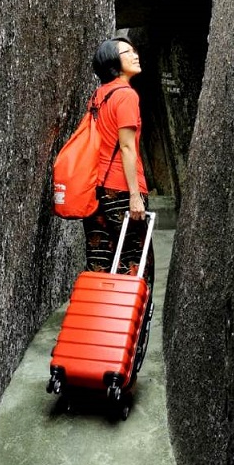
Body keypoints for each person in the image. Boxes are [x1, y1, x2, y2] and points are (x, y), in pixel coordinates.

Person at [83, 37, 154, 288]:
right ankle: (131, 325)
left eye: (135, 50)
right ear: (114, 62)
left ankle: (98, 323)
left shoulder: (98, 96)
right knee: (136, 265)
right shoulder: (126, 95)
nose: (135, 55)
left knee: (100, 263)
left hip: (96, 190)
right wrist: (135, 195)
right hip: (122, 189)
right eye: (127, 52)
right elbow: (126, 146)